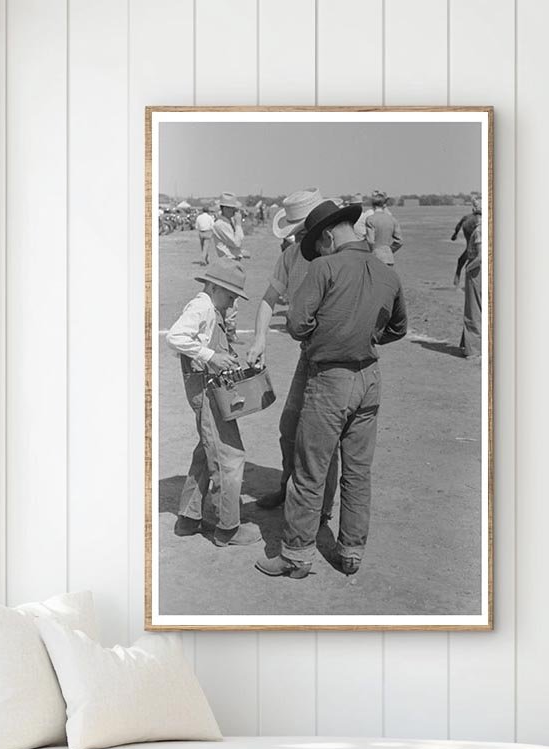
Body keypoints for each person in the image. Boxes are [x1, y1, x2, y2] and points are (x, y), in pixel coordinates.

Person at [255, 200, 407, 580]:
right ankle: (351, 551)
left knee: (310, 471)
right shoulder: (387, 271)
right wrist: (365, 336)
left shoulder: (325, 267)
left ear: (326, 236)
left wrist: (330, 336)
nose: (316, 251)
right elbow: (399, 328)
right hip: (369, 380)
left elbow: (296, 324)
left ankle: (296, 556)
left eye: (316, 244)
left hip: (329, 381)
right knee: (357, 471)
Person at [246, 188, 339, 518]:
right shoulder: (291, 256)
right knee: (290, 427)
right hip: (308, 353)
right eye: (299, 230)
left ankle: (323, 508)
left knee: (324, 437)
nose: (301, 235)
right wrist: (259, 340)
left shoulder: (337, 255)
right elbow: (269, 298)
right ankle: (288, 487)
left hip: (334, 360)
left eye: (303, 228)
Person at [166, 259, 261, 547]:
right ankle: (227, 527)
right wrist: (212, 357)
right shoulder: (203, 306)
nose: (232, 303)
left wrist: (221, 355)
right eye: (230, 296)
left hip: (205, 385)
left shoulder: (210, 306)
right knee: (228, 455)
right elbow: (175, 336)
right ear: (215, 287)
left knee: (208, 448)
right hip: (206, 388)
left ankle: (188, 517)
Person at [460, 220, 483, 360]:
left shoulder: (480, 230)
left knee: (473, 310)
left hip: (476, 270)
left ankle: (473, 349)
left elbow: (480, 256)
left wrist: (468, 269)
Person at [364, 190, 403, 266]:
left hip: (376, 258)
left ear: (373, 205)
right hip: (389, 258)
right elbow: (399, 241)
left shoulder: (370, 219)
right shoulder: (392, 219)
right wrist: (389, 250)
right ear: (384, 205)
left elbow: (371, 241)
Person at [451, 199, 481, 286]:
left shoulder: (467, 218)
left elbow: (459, 224)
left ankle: (457, 278)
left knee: (469, 249)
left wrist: (455, 234)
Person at [212, 192, 246, 260]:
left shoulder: (230, 222)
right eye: (233, 208)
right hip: (228, 261)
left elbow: (240, 238)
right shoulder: (220, 224)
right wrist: (238, 224)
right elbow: (237, 243)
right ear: (225, 209)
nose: (235, 211)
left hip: (233, 260)